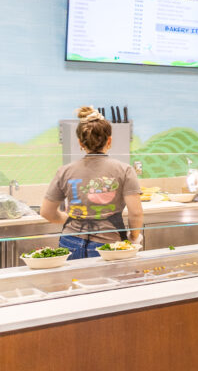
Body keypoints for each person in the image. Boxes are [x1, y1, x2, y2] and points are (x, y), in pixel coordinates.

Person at [40, 106, 143, 259]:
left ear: (81, 143)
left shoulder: (64, 171)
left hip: (70, 242)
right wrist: (134, 237)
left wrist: (70, 219)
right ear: (109, 140)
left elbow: (46, 212)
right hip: (109, 244)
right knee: (107, 283)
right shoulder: (125, 170)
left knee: (73, 282)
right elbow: (136, 212)